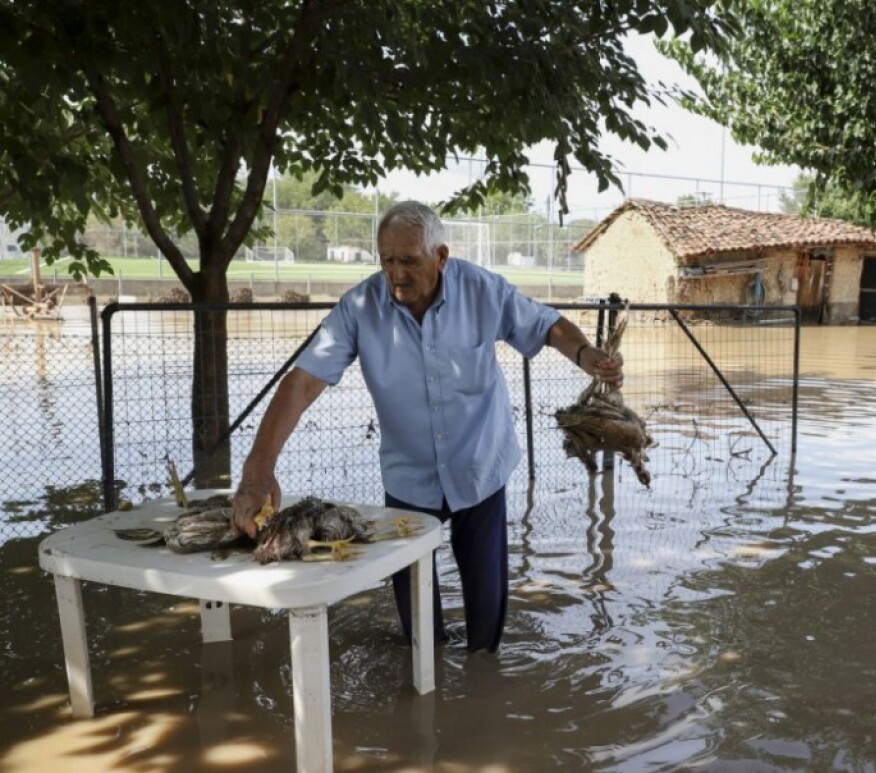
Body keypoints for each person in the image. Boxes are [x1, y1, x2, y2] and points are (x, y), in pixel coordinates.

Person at [231, 200, 623, 652]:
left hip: (480, 468)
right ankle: (427, 684)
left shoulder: (482, 290)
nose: (396, 273)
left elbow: (547, 325)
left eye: (409, 261)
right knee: (417, 623)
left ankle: (482, 684)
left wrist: (584, 355)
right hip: (409, 479)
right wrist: (257, 471)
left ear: (440, 257)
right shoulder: (359, 307)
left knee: (486, 610)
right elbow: (301, 385)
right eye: (387, 261)